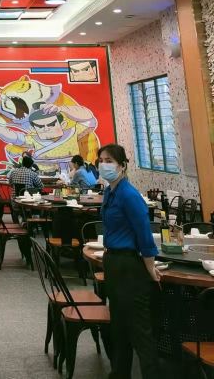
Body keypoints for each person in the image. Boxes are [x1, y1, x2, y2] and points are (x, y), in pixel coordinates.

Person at [99, 143, 160, 379]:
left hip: (129, 266)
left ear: (122, 166)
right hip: (113, 263)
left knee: (140, 331)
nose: (104, 165)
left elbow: (144, 234)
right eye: (101, 161)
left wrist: (150, 268)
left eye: (109, 161)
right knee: (119, 326)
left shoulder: (129, 195)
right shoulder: (110, 192)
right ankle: (119, 373)